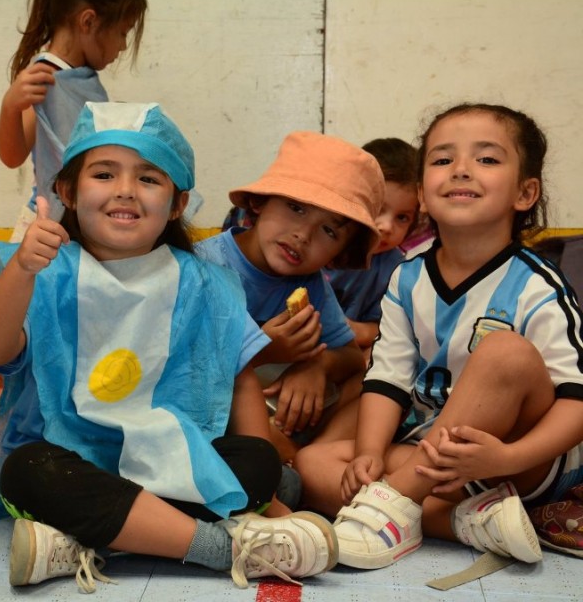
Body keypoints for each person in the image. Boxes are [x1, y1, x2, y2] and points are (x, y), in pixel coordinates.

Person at [0, 102, 338, 593]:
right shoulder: (46, 270)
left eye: (148, 178)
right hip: (66, 459)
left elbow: (238, 379)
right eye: (103, 173)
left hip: (169, 460)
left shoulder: (203, 284)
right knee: (26, 472)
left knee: (256, 459)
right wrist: (20, 272)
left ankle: (85, 542)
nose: (125, 189)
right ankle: (222, 547)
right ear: (67, 191)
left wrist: (266, 496)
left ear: (178, 203)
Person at [296, 103, 583, 570]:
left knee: (505, 352)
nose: (462, 170)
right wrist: (368, 454)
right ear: (424, 196)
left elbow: (576, 402)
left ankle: (393, 507)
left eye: (487, 160)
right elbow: (387, 380)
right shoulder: (407, 280)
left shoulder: (536, 285)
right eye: (443, 159)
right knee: (315, 465)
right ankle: (466, 521)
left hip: (519, 458)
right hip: (434, 450)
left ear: (525, 193)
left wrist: (506, 457)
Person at [195, 132, 384, 466]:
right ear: (260, 202)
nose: (303, 235)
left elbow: (352, 358)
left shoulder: (311, 285)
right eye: (296, 208)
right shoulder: (205, 267)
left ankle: (315, 460)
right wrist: (264, 352)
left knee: (372, 376)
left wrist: (316, 365)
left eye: (329, 231)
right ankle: (288, 463)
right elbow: (182, 370)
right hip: (214, 417)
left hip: (288, 418)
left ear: (340, 253)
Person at [0, 0, 148, 241]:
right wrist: (10, 108)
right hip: (50, 227)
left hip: (85, 223)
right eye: (123, 32)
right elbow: (12, 156)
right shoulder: (44, 78)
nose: (122, 47)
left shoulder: (85, 81)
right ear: (88, 22)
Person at [325, 138, 420, 356]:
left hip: (346, 353)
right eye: (377, 208)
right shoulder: (317, 242)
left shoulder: (397, 270)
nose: (387, 226)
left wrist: (357, 331)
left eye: (403, 217)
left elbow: (389, 330)